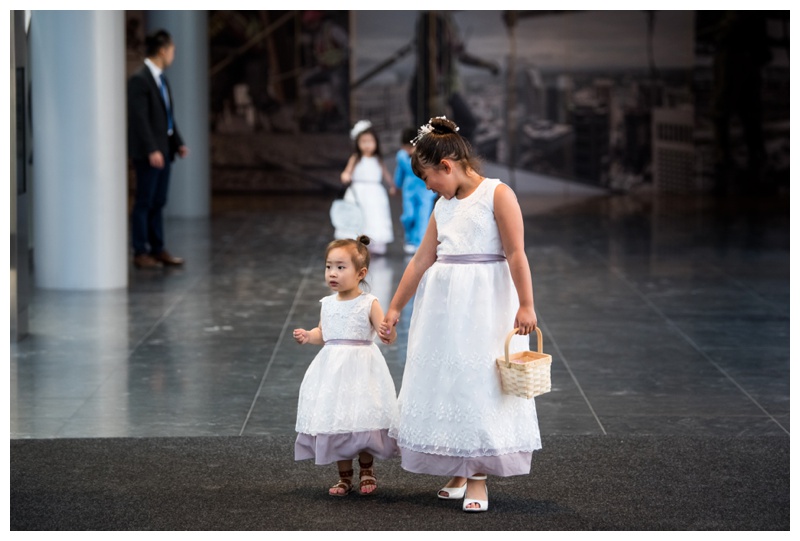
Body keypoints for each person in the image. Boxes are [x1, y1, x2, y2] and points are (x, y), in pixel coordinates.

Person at [379, 116, 540, 513]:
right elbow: (421, 259)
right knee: (448, 378)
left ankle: (479, 474)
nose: (427, 186)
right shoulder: (443, 205)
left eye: (429, 177)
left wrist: (526, 303)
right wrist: (396, 306)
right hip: (444, 308)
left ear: (447, 166)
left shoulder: (497, 195)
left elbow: (516, 253)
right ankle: (458, 464)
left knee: (478, 378)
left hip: (484, 303)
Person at [293, 235, 400, 497]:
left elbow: (384, 332)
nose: (333, 273)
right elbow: (324, 332)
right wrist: (310, 335)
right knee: (337, 421)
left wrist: (388, 333)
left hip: (362, 370)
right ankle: (344, 477)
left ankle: (367, 470)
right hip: (333, 372)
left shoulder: (368, 302)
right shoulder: (327, 304)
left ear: (360, 272)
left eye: (341, 267)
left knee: (362, 420)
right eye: (329, 266)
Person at [127, 29, 189, 269]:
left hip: (164, 151)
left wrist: (178, 143)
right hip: (148, 153)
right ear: (162, 50)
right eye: (172, 50)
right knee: (144, 201)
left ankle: (157, 248)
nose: (173, 55)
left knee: (159, 201)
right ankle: (140, 251)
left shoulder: (161, 79)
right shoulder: (139, 79)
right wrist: (152, 149)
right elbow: (139, 119)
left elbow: (167, 118)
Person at [409, 11, 500, 143]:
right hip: (427, 91)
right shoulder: (430, 22)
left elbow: (460, 54)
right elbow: (429, 60)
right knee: (428, 140)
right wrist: (434, 93)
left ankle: (458, 160)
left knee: (467, 124)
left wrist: (487, 65)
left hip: (445, 90)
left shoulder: (447, 22)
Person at [337, 120, 397, 255]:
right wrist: (345, 176)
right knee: (358, 216)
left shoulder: (378, 159)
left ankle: (374, 244)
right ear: (358, 143)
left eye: (370, 141)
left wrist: (392, 186)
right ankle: (354, 243)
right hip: (357, 192)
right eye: (363, 142)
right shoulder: (356, 158)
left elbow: (386, 174)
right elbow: (347, 171)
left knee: (374, 216)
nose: (367, 145)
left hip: (374, 193)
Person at [395, 127, 437, 255]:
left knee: (423, 217)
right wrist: (396, 185)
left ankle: (419, 243)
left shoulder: (424, 155)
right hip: (409, 190)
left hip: (425, 190)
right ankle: (410, 239)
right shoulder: (401, 156)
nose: (408, 149)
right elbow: (399, 172)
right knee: (409, 215)